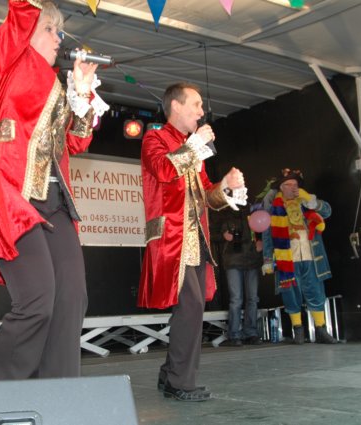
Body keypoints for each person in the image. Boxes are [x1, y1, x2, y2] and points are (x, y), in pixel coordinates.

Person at [0, 0, 108, 381]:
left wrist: (82, 92)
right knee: (37, 299)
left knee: (72, 298)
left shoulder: (56, 85)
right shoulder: (7, 62)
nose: (59, 38)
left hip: (56, 203)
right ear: (27, 31)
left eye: (59, 30)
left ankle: (58, 391)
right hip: (14, 198)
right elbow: (22, 9)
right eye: (50, 29)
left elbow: (76, 142)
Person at [138, 82, 247, 402]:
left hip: (196, 236)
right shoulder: (155, 138)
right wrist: (195, 145)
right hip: (172, 236)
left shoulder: (192, 146)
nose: (202, 112)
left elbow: (207, 197)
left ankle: (171, 373)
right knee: (189, 306)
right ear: (176, 106)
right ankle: (178, 381)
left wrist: (225, 186)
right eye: (196, 105)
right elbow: (163, 170)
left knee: (193, 307)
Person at [261, 168, 337, 344]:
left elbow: (327, 212)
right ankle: (298, 330)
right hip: (288, 258)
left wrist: (310, 199)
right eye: (288, 184)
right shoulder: (273, 209)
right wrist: (268, 260)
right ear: (281, 188)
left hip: (311, 256)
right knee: (290, 294)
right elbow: (267, 236)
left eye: (295, 184)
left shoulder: (306, 202)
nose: (292, 187)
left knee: (316, 291)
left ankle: (321, 329)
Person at [211, 205, 263, 346]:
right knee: (236, 299)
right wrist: (223, 236)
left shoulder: (253, 211)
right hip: (233, 261)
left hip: (252, 260)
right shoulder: (223, 212)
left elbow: (263, 228)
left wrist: (261, 240)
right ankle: (234, 335)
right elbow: (210, 233)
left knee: (253, 298)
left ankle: (251, 333)